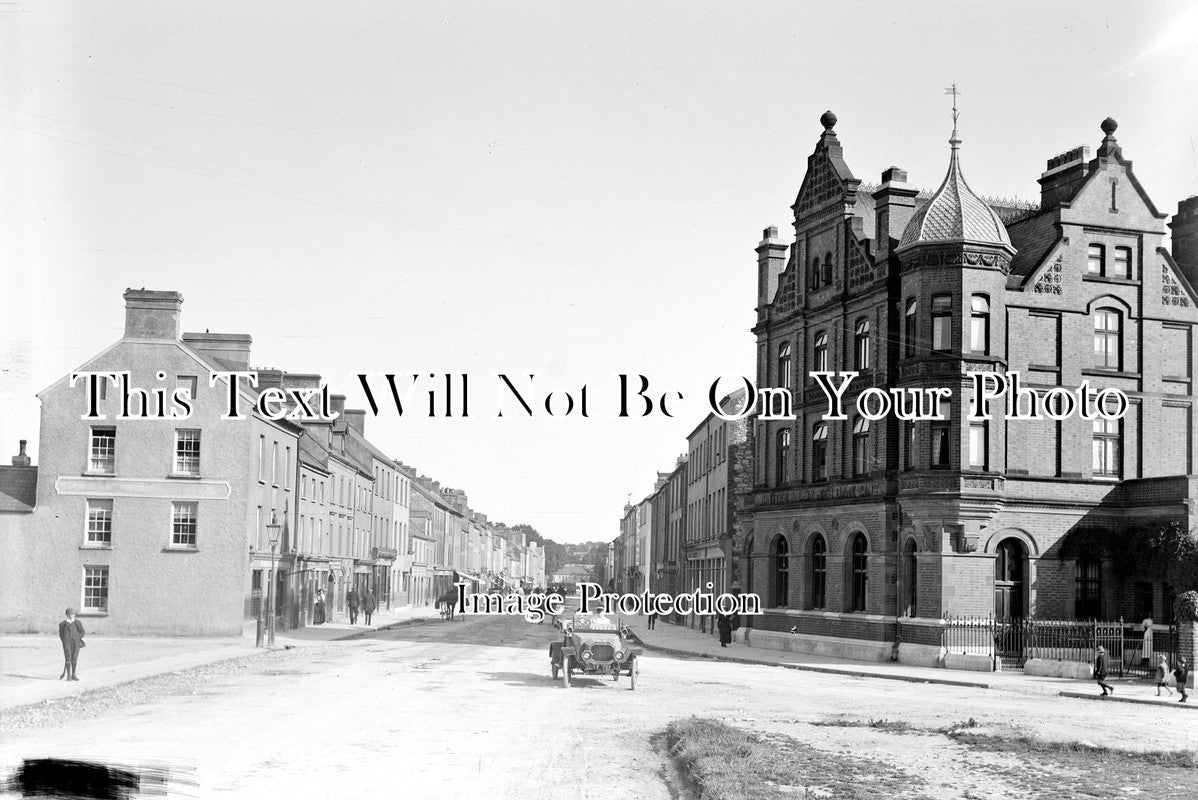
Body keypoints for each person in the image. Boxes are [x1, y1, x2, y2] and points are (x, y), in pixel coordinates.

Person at [58, 607, 85, 681]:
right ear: (67, 614)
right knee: (68, 658)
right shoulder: (63, 624)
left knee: (75, 657)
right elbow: (61, 635)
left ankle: (74, 674)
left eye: (73, 614)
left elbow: (82, 632)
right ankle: (68, 675)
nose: (72, 616)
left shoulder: (77, 623)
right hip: (67, 643)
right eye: (70, 614)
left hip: (76, 643)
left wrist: (78, 638)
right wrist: (65, 641)